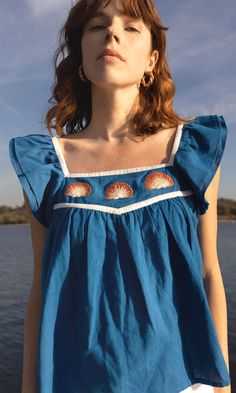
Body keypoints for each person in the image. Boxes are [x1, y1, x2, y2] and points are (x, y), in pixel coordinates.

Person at [8, 0, 231, 392]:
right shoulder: (47, 165)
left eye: (131, 27)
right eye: (97, 26)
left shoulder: (190, 150)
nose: (112, 33)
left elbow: (210, 274)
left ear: (152, 59)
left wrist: (223, 386)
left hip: (181, 382)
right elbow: (41, 289)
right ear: (80, 56)